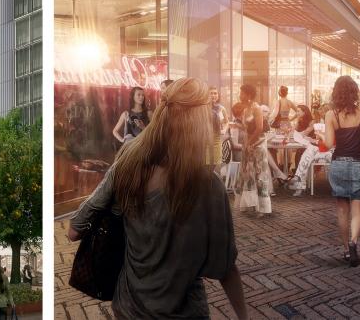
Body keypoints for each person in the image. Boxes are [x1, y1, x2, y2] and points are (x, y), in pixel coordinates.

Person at [68, 77, 248, 319]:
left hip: (128, 308)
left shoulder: (127, 166)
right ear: (202, 123)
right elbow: (224, 268)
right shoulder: (209, 186)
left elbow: (73, 230)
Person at [322, 76, 360, 268]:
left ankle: (346, 250)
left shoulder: (331, 114)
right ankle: (355, 242)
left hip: (338, 164)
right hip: (359, 164)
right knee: (358, 209)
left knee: (341, 211)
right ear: (355, 91)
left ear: (336, 92)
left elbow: (329, 143)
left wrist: (321, 135)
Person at [233, 84, 273, 215]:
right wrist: (238, 126)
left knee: (259, 174)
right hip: (248, 145)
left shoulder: (257, 108)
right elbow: (246, 128)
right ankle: (249, 204)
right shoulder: (246, 109)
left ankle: (263, 208)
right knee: (246, 174)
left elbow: (260, 128)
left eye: (242, 93)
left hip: (258, 145)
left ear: (248, 95)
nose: (240, 95)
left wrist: (250, 142)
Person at [207, 87, 228, 168]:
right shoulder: (203, 108)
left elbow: (226, 122)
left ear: (218, 95)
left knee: (215, 167)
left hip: (217, 140)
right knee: (206, 166)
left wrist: (224, 130)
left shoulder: (222, 109)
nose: (213, 95)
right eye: (211, 93)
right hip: (205, 141)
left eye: (215, 93)